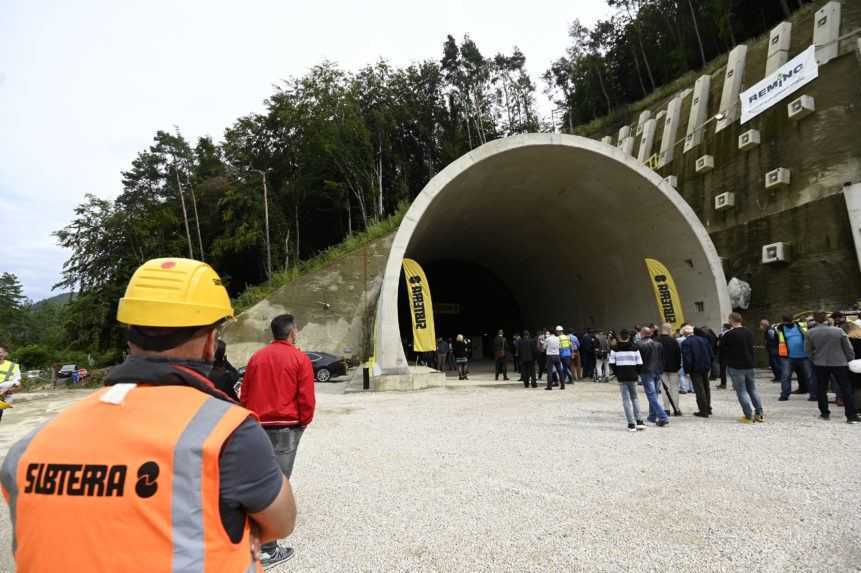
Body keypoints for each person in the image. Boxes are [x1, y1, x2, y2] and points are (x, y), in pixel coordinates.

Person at [0, 258, 296, 571]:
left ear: (130, 337)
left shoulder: (27, 448)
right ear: (211, 342)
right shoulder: (227, 433)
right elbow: (281, 522)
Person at [242, 313, 317, 564]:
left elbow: (246, 392)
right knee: (278, 484)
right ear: (292, 332)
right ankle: (268, 549)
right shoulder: (299, 358)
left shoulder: (256, 358)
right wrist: (304, 421)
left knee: (257, 478)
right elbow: (306, 397)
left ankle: (251, 537)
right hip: (286, 428)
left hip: (256, 425)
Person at [805, 311, 858, 423]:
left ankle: (824, 413)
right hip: (839, 362)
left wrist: (814, 359)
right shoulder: (838, 331)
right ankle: (851, 415)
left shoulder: (810, 333)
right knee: (845, 388)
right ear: (826, 319)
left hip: (820, 363)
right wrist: (850, 359)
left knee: (821, 388)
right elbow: (848, 348)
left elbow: (808, 351)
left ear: (815, 320)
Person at [721, 313, 765, 424]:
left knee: (741, 391)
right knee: (752, 389)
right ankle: (759, 414)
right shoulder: (749, 332)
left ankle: (748, 415)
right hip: (749, 364)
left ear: (732, 320)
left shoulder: (729, 334)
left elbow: (722, 350)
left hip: (735, 365)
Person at [609, 329, 647, 432]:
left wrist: (617, 374)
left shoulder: (614, 348)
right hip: (633, 376)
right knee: (635, 398)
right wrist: (636, 373)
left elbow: (612, 363)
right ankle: (639, 421)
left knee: (626, 400)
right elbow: (640, 363)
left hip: (622, 377)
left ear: (620, 337)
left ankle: (631, 424)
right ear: (629, 337)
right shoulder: (635, 348)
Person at [636, 326, 669, 426]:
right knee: (654, 395)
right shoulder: (658, 344)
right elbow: (663, 358)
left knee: (651, 395)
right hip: (657, 371)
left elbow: (638, 361)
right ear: (650, 334)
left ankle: (663, 417)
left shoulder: (639, 345)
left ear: (641, 334)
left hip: (646, 372)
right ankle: (652, 416)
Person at [776, 314, 813, 401]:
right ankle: (784, 395)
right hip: (787, 357)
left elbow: (810, 334)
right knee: (786, 376)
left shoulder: (802, 326)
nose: (788, 323)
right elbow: (777, 341)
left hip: (804, 356)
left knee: (809, 376)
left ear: (793, 320)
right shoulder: (780, 329)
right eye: (786, 322)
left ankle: (814, 395)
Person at [681, 325, 714, 418]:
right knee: (706, 387)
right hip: (705, 367)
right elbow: (711, 354)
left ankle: (703, 410)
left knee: (699, 389)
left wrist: (687, 370)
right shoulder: (704, 340)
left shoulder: (686, 342)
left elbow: (687, 358)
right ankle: (708, 408)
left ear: (685, 333)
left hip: (695, 369)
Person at [657, 323, 682, 416]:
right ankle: (676, 409)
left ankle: (666, 409)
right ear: (669, 330)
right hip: (673, 368)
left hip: (661, 369)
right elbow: (678, 355)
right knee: (674, 388)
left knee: (664, 389)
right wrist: (678, 366)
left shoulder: (657, 341)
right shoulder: (674, 341)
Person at [0, 344, 21, 423]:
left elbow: (18, 385)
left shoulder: (13, 366)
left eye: (0, 352)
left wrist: (7, 390)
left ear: (6, 354)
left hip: (4, 397)